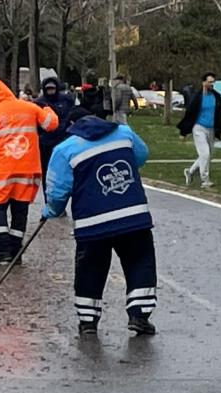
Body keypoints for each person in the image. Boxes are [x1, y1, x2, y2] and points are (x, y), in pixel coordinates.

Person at [44, 111, 158, 336]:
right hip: (133, 216)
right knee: (139, 261)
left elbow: (57, 190)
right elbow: (142, 156)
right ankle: (139, 315)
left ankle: (88, 322)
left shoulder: (64, 150)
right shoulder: (124, 134)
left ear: (73, 126)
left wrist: (51, 211)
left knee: (90, 269)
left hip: (91, 222)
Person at [0, 78, 59, 265]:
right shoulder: (28, 107)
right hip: (28, 167)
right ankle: (15, 250)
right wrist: (46, 109)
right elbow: (51, 124)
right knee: (20, 208)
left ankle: (2, 250)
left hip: (3, 169)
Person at [178, 73, 221, 188]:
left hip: (211, 129)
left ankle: (190, 172)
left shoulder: (216, 97)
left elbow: (219, 114)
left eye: (213, 82)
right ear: (204, 83)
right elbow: (189, 114)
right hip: (199, 128)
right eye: (209, 82)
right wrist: (184, 132)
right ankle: (205, 180)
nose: (211, 84)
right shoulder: (197, 97)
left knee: (207, 155)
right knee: (205, 153)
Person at [35, 76, 75, 170]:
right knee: (47, 167)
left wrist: (66, 127)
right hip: (46, 141)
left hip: (64, 138)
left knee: (64, 166)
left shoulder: (66, 99)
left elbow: (71, 113)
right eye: (48, 88)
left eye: (52, 88)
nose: (50, 90)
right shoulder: (39, 103)